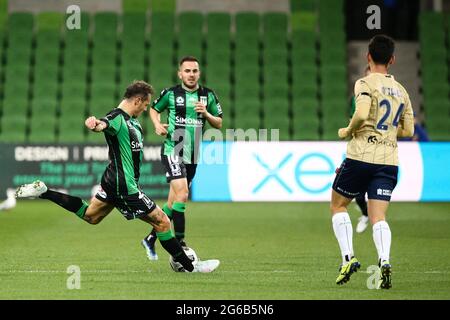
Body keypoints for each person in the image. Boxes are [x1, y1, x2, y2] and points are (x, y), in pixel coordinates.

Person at [15, 80, 220, 273]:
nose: (146, 109)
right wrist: (94, 124)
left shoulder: (132, 123)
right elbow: (103, 124)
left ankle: (44, 192)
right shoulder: (117, 117)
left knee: (91, 216)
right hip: (124, 185)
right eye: (146, 104)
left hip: (113, 180)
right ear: (137, 100)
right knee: (163, 222)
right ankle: (191, 267)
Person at [331, 35, 414, 289]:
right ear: (392, 60)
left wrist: (347, 130)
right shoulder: (402, 90)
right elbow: (408, 130)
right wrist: (387, 132)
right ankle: (384, 261)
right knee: (379, 216)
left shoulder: (364, 83)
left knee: (338, 205)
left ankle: (348, 259)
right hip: (389, 160)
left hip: (361, 155)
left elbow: (362, 113)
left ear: (368, 56)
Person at [141, 56, 223, 261]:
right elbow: (153, 109)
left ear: (199, 73)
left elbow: (219, 123)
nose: (191, 74)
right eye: (187, 71)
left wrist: (206, 114)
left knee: (173, 202)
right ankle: (180, 242)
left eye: (194, 71)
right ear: (180, 73)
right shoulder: (170, 94)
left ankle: (150, 238)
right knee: (184, 194)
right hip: (173, 149)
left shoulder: (208, 95)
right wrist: (157, 125)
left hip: (193, 154)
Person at [348, 66, 370, 234]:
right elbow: (352, 119)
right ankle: (365, 214)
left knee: (378, 195)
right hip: (361, 148)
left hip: (381, 149)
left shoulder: (390, 96)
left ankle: (384, 257)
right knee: (358, 194)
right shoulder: (357, 98)